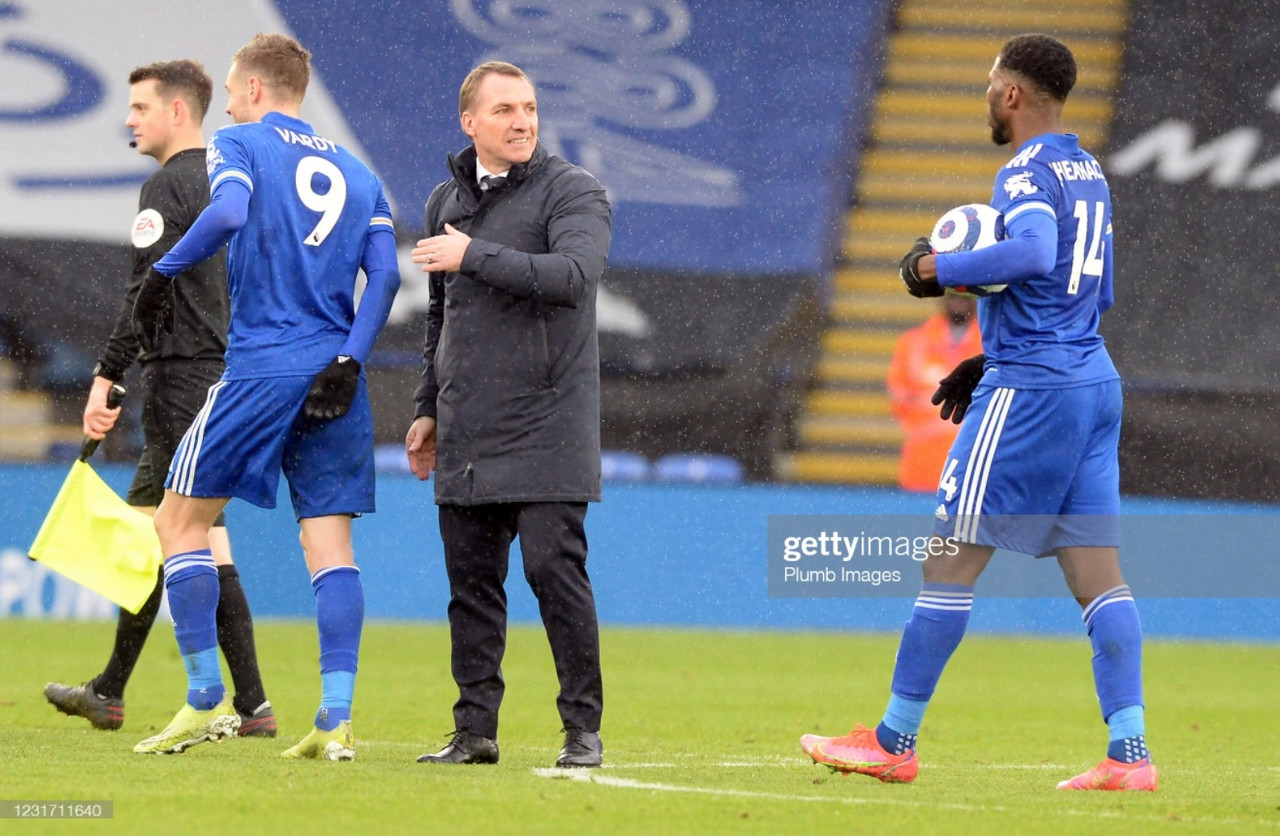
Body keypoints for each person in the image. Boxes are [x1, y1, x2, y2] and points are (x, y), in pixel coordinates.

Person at [801, 34, 1156, 792]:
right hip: (1093, 382)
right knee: (1100, 580)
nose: (986, 96)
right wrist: (988, 353)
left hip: (1034, 391)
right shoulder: (1087, 169)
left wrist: (938, 270)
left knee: (949, 558)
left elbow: (1030, 255)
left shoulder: (1026, 169)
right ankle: (1131, 755)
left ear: (1015, 95)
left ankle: (894, 740)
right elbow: (1094, 292)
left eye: (992, 83)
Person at [129, 33, 400, 760]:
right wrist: (350, 356)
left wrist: (163, 275)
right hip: (335, 376)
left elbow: (226, 216)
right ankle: (335, 719)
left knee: (179, 523)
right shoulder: (359, 171)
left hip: (260, 366)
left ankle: (203, 697)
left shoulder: (240, 142)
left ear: (250, 91)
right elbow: (389, 278)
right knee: (331, 547)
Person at [43, 59, 274, 739]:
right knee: (184, 534)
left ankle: (192, 697)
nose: (129, 119)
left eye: (141, 107)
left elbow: (145, 290)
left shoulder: (166, 187)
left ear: (180, 111)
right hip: (229, 374)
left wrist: (107, 374)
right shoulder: (235, 180)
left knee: (178, 532)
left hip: (180, 380)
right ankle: (222, 701)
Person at [404, 61, 611, 768]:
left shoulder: (574, 191)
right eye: (505, 110)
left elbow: (574, 279)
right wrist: (428, 406)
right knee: (471, 590)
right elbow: (440, 314)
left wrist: (474, 253)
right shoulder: (443, 202)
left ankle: (582, 731)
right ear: (470, 123)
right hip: (467, 427)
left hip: (550, 422)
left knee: (555, 575)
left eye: (529, 107)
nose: (522, 121)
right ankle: (474, 732)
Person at [886, 294, 981, 492]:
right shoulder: (913, 343)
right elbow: (898, 398)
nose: (959, 301)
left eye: (965, 295)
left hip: (975, 463)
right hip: (923, 463)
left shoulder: (992, 344)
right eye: (954, 295)